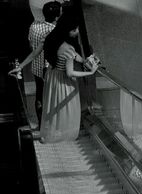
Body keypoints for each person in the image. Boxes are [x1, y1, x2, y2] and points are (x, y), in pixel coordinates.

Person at [8, 1, 75, 129]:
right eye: (61, 11)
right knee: (55, 97)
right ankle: (57, 124)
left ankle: (42, 124)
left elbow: (32, 48)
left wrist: (20, 66)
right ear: (56, 17)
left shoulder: (34, 26)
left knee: (40, 95)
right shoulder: (56, 31)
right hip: (52, 70)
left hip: (37, 68)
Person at [39, 13, 98, 143]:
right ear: (66, 30)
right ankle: (65, 136)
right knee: (66, 107)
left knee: (53, 106)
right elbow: (70, 73)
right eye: (74, 29)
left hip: (53, 76)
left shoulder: (52, 40)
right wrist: (91, 72)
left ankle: (52, 133)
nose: (77, 32)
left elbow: (77, 57)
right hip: (64, 81)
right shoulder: (68, 48)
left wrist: (86, 61)